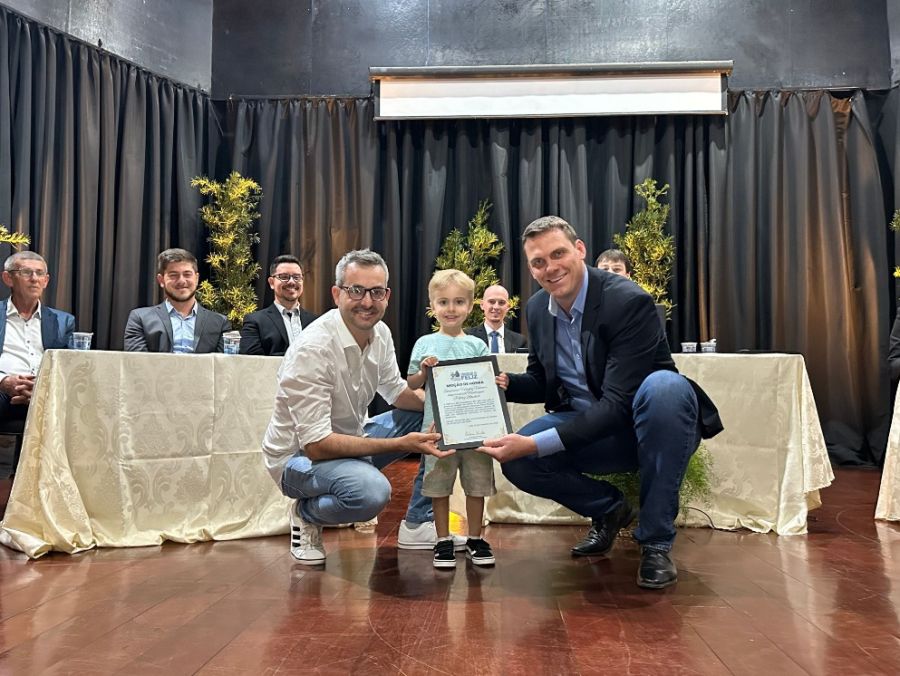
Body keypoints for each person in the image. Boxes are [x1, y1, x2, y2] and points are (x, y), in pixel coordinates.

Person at [479, 216, 722, 589]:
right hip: (591, 429)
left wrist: (534, 443)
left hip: (650, 427)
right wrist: (504, 384)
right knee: (518, 461)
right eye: (538, 262)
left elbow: (617, 403)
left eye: (558, 254)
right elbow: (544, 383)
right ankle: (610, 509)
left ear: (579, 250)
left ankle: (656, 543)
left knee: (665, 389)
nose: (550, 268)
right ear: (530, 268)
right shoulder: (538, 309)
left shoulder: (627, 301)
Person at [262, 249, 455, 565]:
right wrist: (402, 444)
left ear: (387, 296)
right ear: (336, 293)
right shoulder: (312, 350)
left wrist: (447, 408)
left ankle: (418, 523)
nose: (367, 302)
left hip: (350, 439)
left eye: (376, 292)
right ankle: (306, 513)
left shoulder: (380, 333)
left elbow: (397, 392)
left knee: (435, 417)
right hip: (298, 458)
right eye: (356, 290)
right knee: (370, 493)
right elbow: (316, 445)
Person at [407, 269, 495, 568]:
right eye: (443, 302)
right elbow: (412, 383)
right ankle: (443, 538)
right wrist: (423, 370)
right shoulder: (424, 343)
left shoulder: (477, 345)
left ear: (470, 306)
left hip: (474, 430)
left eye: (459, 302)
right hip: (437, 430)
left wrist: (498, 381)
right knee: (438, 484)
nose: (451, 309)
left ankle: (475, 538)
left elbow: (486, 383)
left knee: (477, 483)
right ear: (433, 306)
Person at [0, 252, 74, 421]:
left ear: (45, 281)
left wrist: (41, 388)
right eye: (26, 272)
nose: (34, 279)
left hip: (49, 392)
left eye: (39, 273)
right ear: (8, 278)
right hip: (3, 391)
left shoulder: (63, 321)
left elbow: (69, 366)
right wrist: (3, 381)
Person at [124, 248, 230, 353]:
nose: (181, 281)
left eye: (187, 274)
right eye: (173, 275)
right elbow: (137, 361)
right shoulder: (140, 319)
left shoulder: (220, 323)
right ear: (161, 280)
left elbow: (223, 363)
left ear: (197, 278)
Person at [240, 255, 318, 356]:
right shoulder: (255, 322)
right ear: (271, 282)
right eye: (284, 277)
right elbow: (252, 361)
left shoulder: (316, 322)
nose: (291, 282)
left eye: (296, 277)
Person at [465, 284, 527, 353]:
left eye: (501, 303)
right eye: (491, 302)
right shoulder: (468, 337)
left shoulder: (520, 341)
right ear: (482, 305)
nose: (496, 307)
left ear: (508, 307)